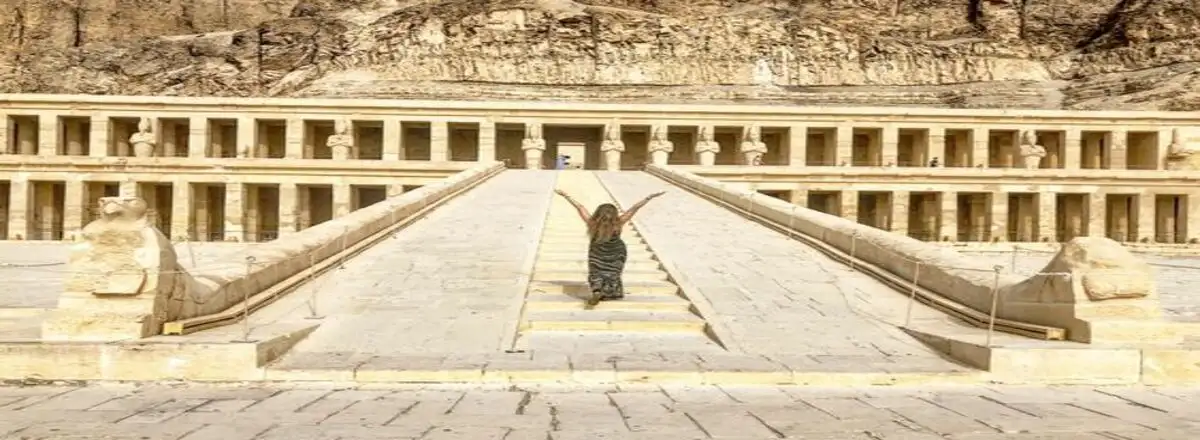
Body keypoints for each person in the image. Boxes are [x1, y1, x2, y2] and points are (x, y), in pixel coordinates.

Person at [553, 189, 666, 305]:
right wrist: (649, 197)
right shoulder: (618, 222)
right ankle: (609, 293)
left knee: (596, 272)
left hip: (597, 251)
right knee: (613, 273)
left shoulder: (592, 223)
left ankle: (597, 291)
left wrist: (566, 196)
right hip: (617, 251)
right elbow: (634, 208)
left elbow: (580, 207)